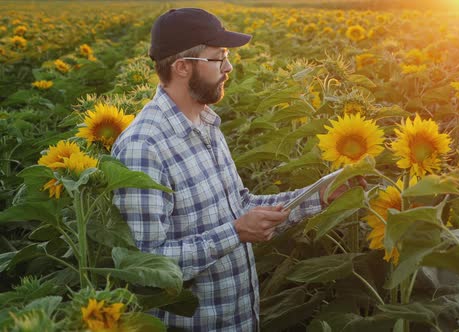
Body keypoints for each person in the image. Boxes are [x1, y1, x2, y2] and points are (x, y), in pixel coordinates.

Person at [111, 8, 355, 331]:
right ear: (182, 67)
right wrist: (235, 233)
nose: (228, 67)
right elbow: (146, 267)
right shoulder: (144, 148)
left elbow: (239, 205)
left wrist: (318, 196)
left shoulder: (206, 122)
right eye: (219, 57)